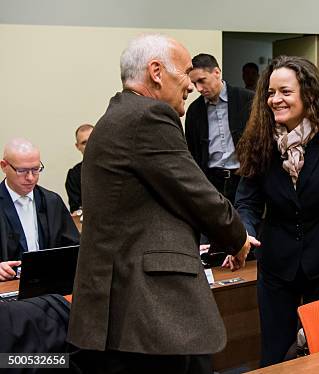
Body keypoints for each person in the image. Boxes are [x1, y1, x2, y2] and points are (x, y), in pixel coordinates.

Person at [67, 34, 254, 374]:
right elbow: (196, 193)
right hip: (150, 311)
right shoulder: (148, 117)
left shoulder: (119, 115)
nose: (192, 86)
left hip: (124, 307)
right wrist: (237, 237)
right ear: (156, 72)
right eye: (185, 73)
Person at [228, 55, 319, 367]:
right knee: (276, 353)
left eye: (285, 92)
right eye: (271, 93)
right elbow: (247, 200)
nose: (276, 100)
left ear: (308, 93)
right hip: (276, 264)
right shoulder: (258, 139)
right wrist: (245, 230)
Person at [0, 138, 79, 281]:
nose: (30, 178)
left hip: (48, 284)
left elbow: (74, 249)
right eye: (22, 170)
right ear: (4, 166)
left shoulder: (52, 201)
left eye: (35, 169)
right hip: (5, 287)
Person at [185, 54, 254, 204]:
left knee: (244, 223)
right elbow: (192, 152)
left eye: (202, 81)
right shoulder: (194, 110)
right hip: (210, 181)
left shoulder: (247, 100)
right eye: (194, 83)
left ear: (216, 72)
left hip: (243, 179)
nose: (198, 88)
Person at [65, 123, 94, 213]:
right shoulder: (74, 176)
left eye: (92, 140)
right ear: (78, 146)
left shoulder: (117, 166)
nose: (89, 145)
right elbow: (76, 210)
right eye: (84, 143)